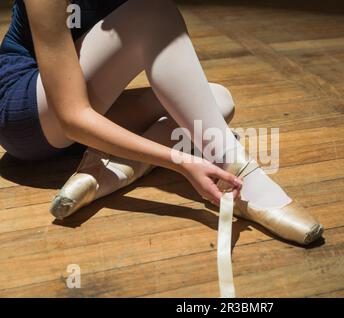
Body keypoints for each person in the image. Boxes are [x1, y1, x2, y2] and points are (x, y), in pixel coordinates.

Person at [0, 0, 323, 245]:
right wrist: (181, 162)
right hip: (26, 115)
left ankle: (105, 174)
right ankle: (241, 176)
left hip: (69, 118)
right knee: (151, 12)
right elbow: (73, 117)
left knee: (218, 99)